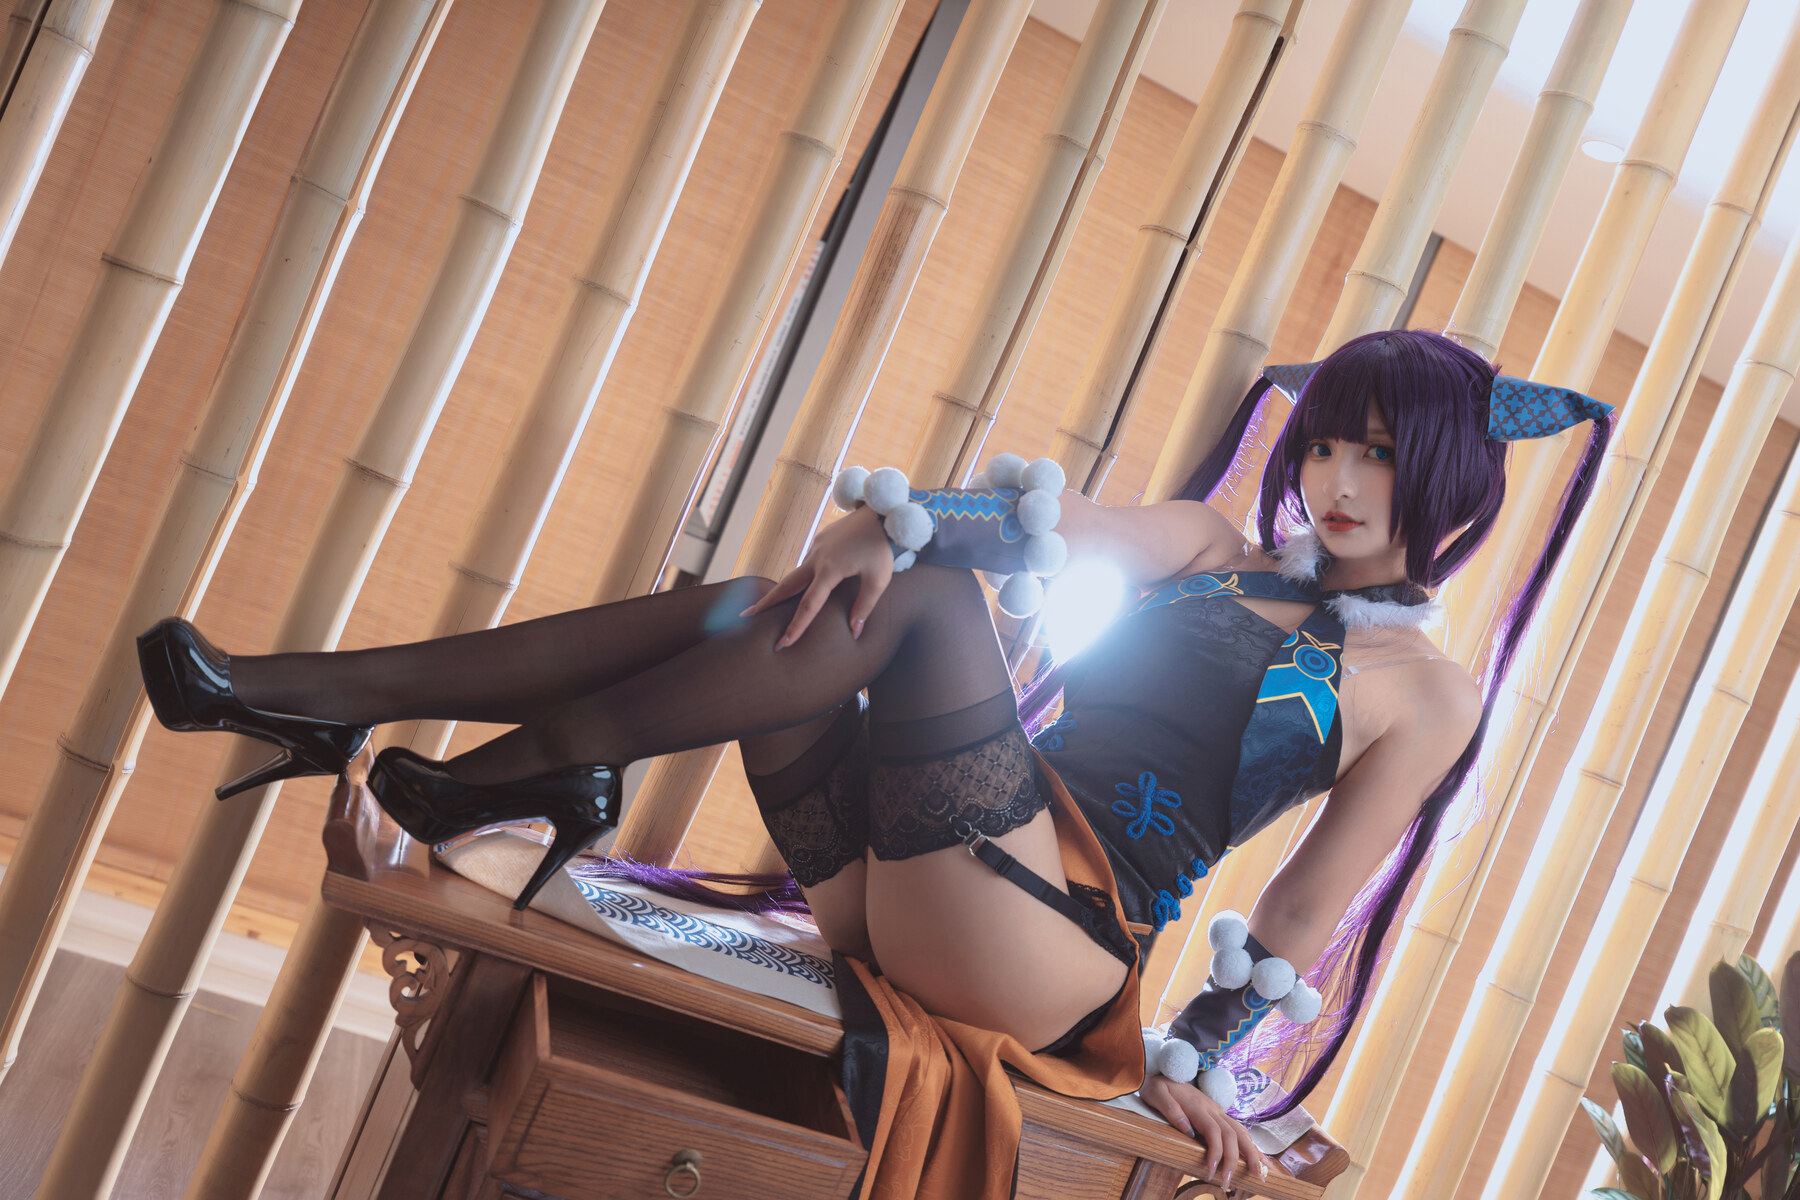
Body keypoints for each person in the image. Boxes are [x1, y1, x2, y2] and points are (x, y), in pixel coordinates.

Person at [135, 328, 1611, 1192]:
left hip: (1054, 944)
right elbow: (1053, 525)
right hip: (918, 873)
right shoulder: (1213, 543)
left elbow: (1297, 914)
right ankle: (326, 696)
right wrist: (880, 525)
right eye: (1331, 445)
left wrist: (1184, 1066)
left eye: (1380, 456)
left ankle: (530, 762)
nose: (1341, 482)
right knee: (776, 609)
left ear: (1450, 479)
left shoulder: (1428, 693)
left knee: (918, 603)